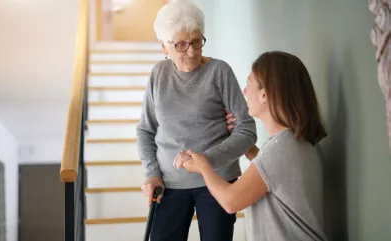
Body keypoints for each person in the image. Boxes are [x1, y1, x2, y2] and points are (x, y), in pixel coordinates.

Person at [136, 2, 258, 241]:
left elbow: (246, 129)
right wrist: (152, 173)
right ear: (164, 47)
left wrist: (205, 162)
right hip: (168, 184)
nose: (191, 51)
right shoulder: (158, 75)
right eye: (181, 45)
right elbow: (145, 130)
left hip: (218, 180)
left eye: (196, 41)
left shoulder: (219, 71)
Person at [176, 51, 329, 241]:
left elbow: (231, 201)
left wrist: (203, 168)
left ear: (264, 94)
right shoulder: (293, 143)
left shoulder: (281, 148)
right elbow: (273, 178)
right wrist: (249, 150)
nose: (244, 91)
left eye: (249, 83)